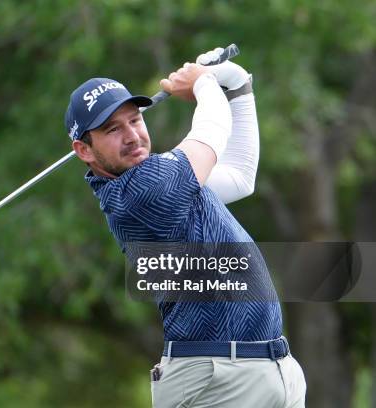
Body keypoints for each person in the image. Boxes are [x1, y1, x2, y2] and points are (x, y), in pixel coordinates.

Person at [64, 48, 306, 407]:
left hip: (268, 370)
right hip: (217, 379)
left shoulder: (168, 182)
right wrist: (205, 83)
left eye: (134, 120)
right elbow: (211, 134)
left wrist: (236, 83)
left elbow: (240, 175)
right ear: (84, 150)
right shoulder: (140, 192)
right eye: (113, 129)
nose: (132, 135)